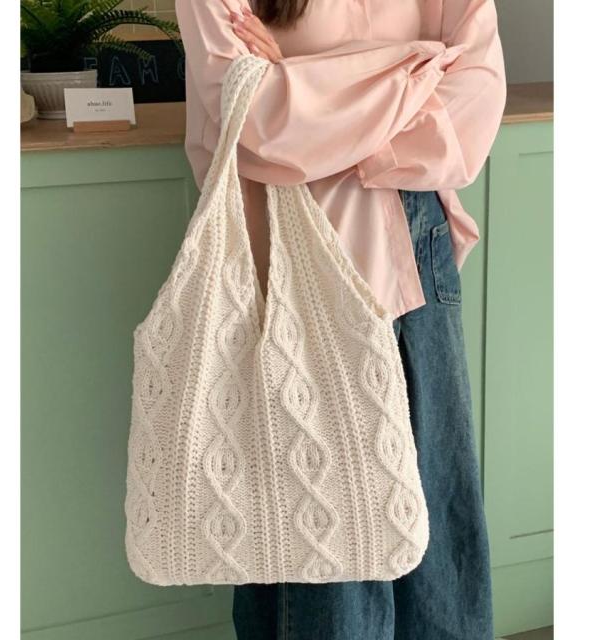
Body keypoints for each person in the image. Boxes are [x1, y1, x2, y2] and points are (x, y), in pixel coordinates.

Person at [175, 1, 506, 638]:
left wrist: (306, 89)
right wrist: (415, 70)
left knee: (437, 501)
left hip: (416, 248)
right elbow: (257, 120)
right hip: (288, 264)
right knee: (320, 528)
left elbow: (474, 107)